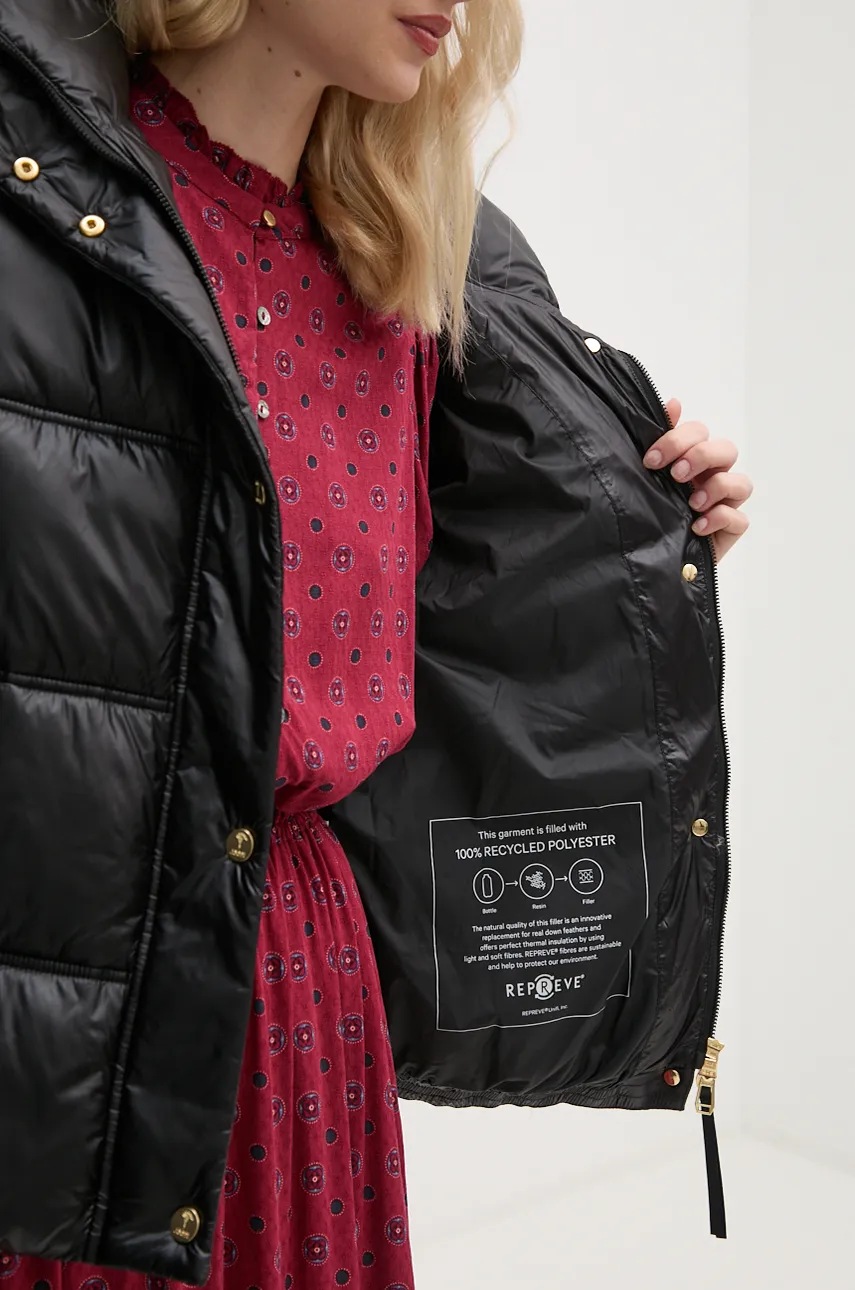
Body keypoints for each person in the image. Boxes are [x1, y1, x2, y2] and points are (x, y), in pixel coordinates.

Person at [0, 1, 752, 1286]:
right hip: (75, 990)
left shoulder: (405, 273)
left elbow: (461, 628)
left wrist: (649, 537)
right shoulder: (51, 217)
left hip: (305, 988)